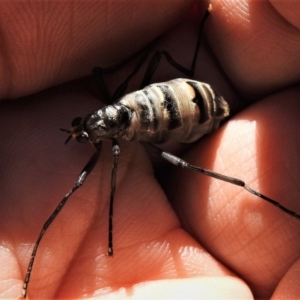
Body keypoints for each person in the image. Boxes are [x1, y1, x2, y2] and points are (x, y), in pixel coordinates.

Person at [1, 1, 300, 298]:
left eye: (83, 130)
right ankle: (264, 197)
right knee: (157, 62)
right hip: (170, 99)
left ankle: (255, 192)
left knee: (184, 166)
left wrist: (110, 232)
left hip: (184, 104)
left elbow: (111, 177)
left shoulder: (113, 146)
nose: (82, 132)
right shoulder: (112, 110)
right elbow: (113, 70)